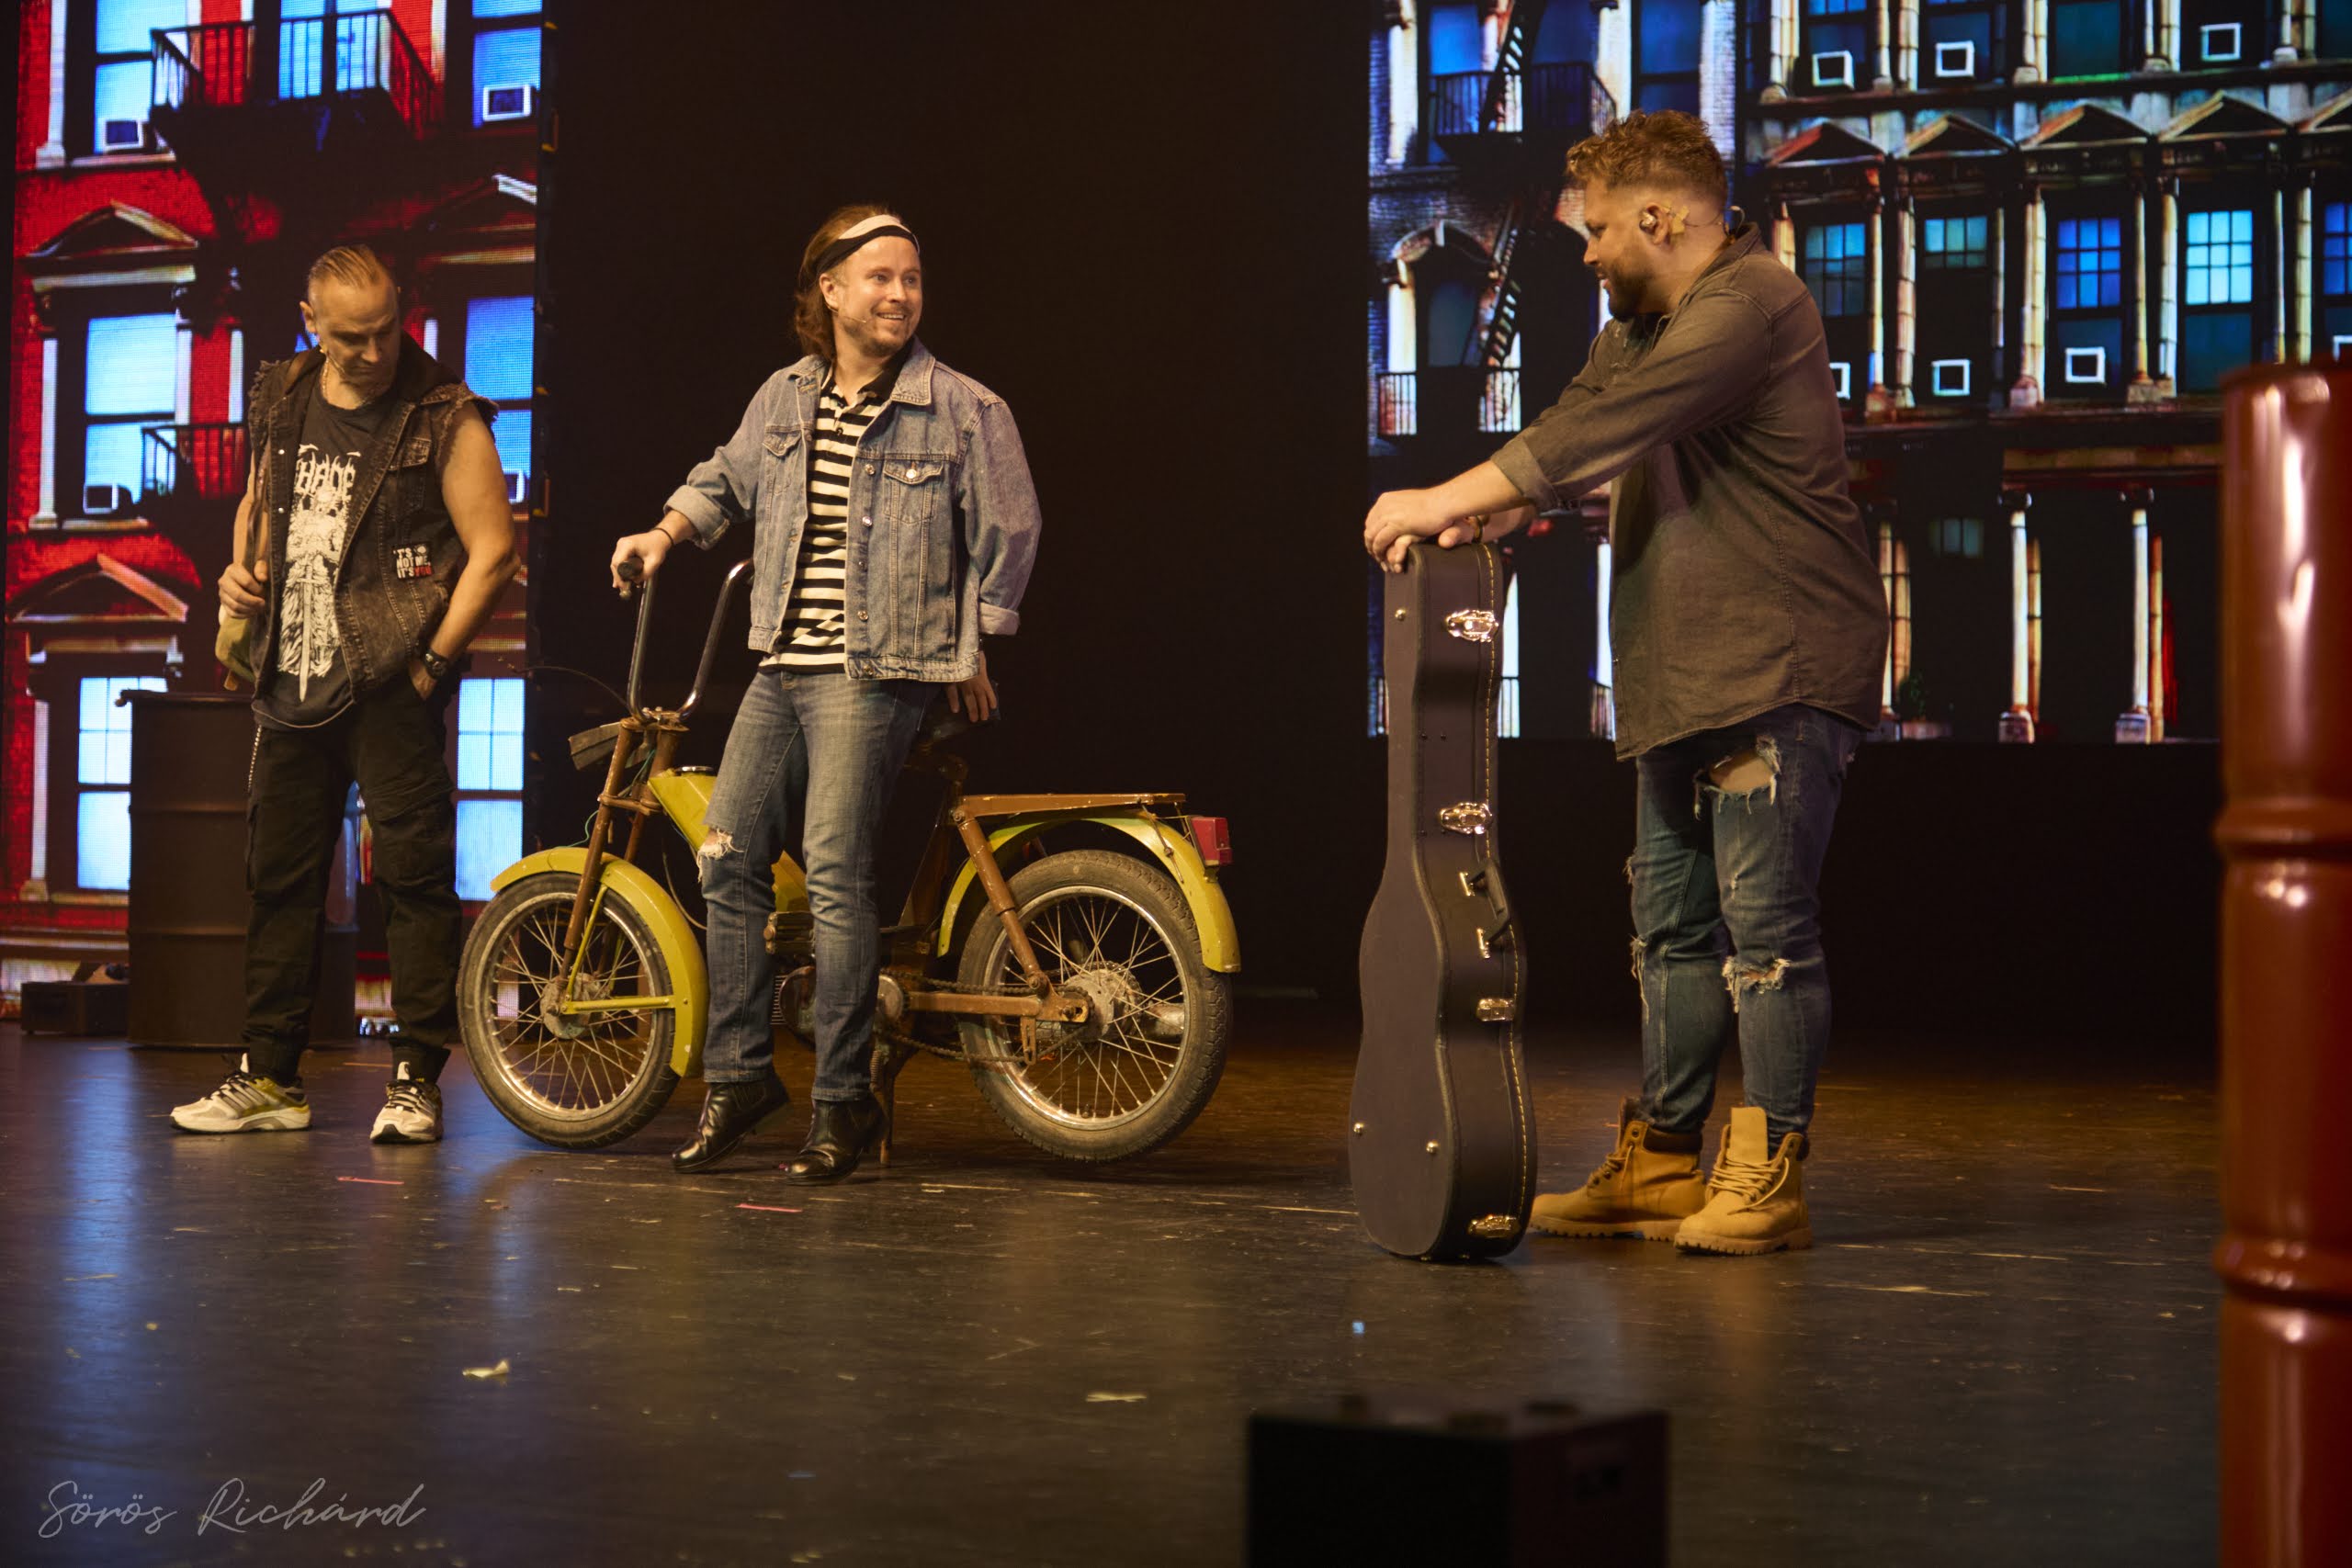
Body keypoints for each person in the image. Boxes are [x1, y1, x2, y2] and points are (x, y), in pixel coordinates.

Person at [1362, 111, 1887, 1256]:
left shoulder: (1750, 304)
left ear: (1659, 217)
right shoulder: (1639, 326)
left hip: (1774, 666)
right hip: (1679, 671)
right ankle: (1659, 1163)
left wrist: (1438, 497)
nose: (1589, 251)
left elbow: (1610, 431)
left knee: (1764, 935)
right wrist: (1495, 507)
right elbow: (1574, 427)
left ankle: (1771, 1172)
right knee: (1670, 933)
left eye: (1599, 229)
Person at [611, 207, 1041, 1183]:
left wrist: (975, 640)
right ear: (830, 291)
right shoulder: (785, 397)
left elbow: (1010, 531)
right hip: (780, 662)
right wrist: (661, 535)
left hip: (878, 669)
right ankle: (739, 1079)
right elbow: (723, 481)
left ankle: (843, 1098)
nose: (899, 295)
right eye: (880, 277)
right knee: (726, 857)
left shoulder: (961, 407)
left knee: (839, 874)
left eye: (912, 279)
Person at [174, 244, 518, 1143]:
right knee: (279, 881)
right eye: (352, 337)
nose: (374, 352)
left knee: (412, 880)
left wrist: (429, 666)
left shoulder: (444, 413)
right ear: (312, 324)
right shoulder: (283, 393)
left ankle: (415, 1081)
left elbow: (494, 551)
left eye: (386, 331)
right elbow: (259, 503)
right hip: (291, 674)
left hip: (391, 679)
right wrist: (238, 576)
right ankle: (270, 1077)